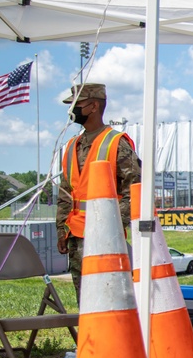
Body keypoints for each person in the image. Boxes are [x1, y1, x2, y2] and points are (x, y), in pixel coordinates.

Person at [56, 83, 141, 306]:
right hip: (76, 235)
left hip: (105, 237)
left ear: (94, 106)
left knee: (107, 299)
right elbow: (65, 193)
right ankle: (88, 341)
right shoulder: (72, 146)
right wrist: (60, 230)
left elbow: (134, 190)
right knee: (84, 300)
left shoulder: (116, 142)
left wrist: (109, 227)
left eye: (77, 104)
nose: (71, 110)